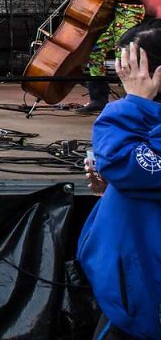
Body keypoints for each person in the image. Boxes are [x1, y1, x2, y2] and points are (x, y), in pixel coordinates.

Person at [77, 31, 161, 340]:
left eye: (129, 68)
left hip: (143, 300)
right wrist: (112, 190)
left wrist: (135, 103)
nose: (122, 77)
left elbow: (126, 164)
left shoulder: (131, 112)